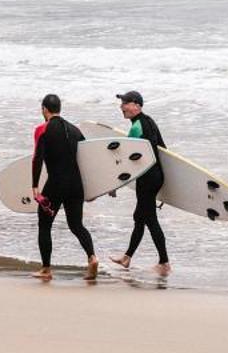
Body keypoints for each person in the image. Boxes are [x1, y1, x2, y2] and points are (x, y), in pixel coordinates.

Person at [31, 93, 97, 282]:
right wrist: (92, 188)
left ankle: (46, 269)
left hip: (56, 184)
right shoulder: (75, 130)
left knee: (44, 224)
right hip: (76, 185)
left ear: (44, 109)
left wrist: (35, 186)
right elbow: (88, 159)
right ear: (59, 108)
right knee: (76, 225)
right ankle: (92, 257)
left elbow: (38, 158)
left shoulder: (42, 130)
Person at [109, 89, 171, 276]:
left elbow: (128, 160)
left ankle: (164, 263)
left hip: (147, 178)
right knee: (140, 217)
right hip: (155, 176)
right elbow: (165, 152)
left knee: (150, 220)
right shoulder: (150, 122)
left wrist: (115, 184)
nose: (122, 107)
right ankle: (127, 257)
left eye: (125, 103)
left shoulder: (137, 127)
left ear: (136, 105)